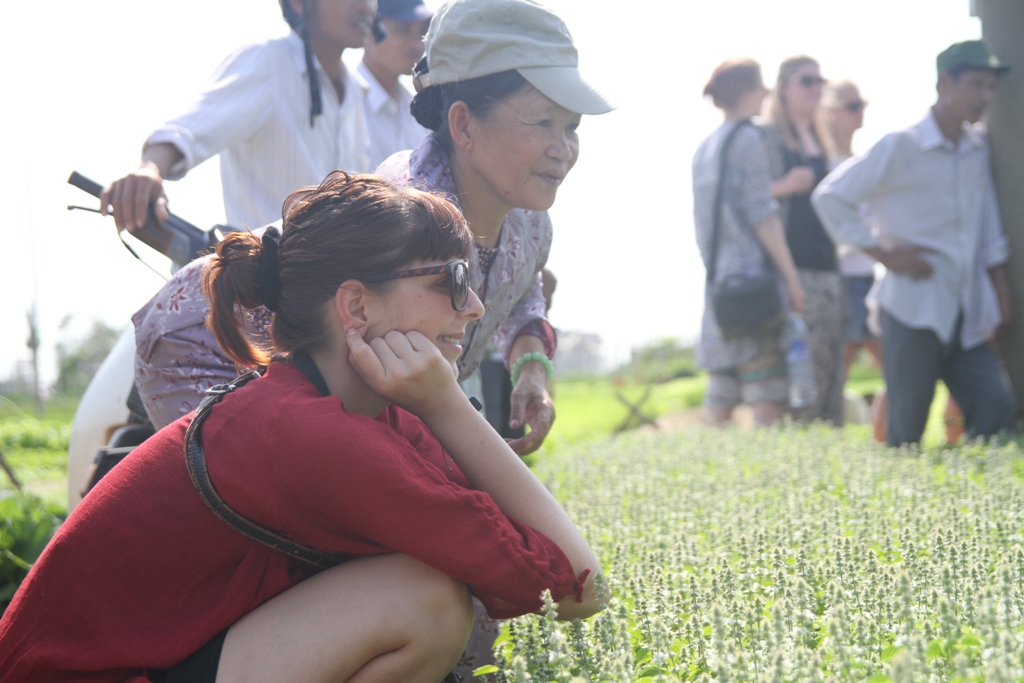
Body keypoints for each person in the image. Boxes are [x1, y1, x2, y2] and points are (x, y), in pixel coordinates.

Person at [0, 172, 603, 682]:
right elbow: (578, 588)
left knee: (429, 597)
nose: (473, 307)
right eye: (450, 280)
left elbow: (556, 574)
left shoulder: (355, 410)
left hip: (153, 659)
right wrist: (446, 405)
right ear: (358, 308)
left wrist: (438, 405)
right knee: (422, 603)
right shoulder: (311, 435)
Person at [134, 0, 612, 460]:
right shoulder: (407, 225)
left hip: (319, 390)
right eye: (542, 122)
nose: (562, 149)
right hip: (207, 349)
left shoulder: (530, 222)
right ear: (464, 125)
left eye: (571, 127)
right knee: (294, 517)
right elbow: (389, 409)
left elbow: (522, 291)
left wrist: (530, 369)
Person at [813, 40, 1015, 447]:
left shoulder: (977, 149)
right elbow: (830, 197)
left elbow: (988, 227)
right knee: (906, 427)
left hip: (966, 309)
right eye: (977, 84)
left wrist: (1000, 292)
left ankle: (975, 494)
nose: (985, 96)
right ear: (946, 82)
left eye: (990, 87)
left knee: (996, 408)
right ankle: (902, 498)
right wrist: (884, 254)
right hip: (911, 308)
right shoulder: (900, 146)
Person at [100, 0, 375, 239]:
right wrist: (151, 167)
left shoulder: (357, 91)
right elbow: (191, 126)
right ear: (298, 3)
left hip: (336, 289)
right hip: (262, 289)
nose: (366, 5)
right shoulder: (268, 62)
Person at [693, 58, 805, 426]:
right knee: (767, 389)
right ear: (749, 91)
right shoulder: (749, 137)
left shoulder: (705, 148)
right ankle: (766, 475)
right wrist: (791, 279)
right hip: (754, 279)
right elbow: (763, 216)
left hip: (719, 281)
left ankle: (710, 475)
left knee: (721, 387)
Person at [762, 55, 846, 426]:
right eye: (806, 81)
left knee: (833, 370)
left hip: (829, 267)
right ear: (783, 89)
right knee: (802, 376)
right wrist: (783, 186)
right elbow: (745, 199)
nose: (816, 88)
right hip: (790, 271)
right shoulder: (767, 137)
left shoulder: (822, 136)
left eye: (819, 81)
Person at [822, 80, 884, 377]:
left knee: (894, 368)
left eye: (862, 105)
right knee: (838, 371)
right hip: (840, 278)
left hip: (867, 272)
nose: (860, 112)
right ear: (830, 112)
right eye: (852, 106)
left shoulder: (860, 162)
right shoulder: (824, 165)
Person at [357, 0, 433, 167]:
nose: (417, 43)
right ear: (370, 30)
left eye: (422, 31)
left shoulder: (416, 110)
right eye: (403, 29)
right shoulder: (346, 99)